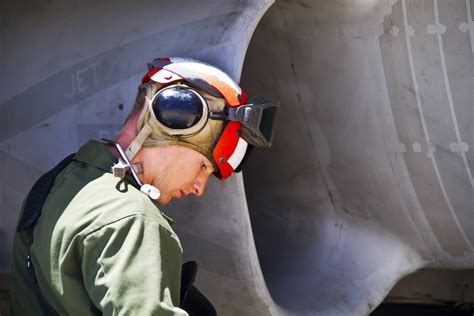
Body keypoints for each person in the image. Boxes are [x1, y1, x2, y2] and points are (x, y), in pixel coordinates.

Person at [10, 57, 278, 315]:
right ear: (173, 128)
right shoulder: (131, 220)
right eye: (204, 167)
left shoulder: (55, 183)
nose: (199, 188)